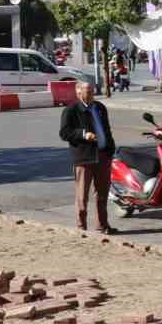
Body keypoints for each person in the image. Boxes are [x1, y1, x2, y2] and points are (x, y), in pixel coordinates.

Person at [60, 81, 117, 234]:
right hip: (84, 158)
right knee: (82, 195)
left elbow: (106, 129)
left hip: (103, 155)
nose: (91, 93)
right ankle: (81, 226)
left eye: (92, 90)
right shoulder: (71, 110)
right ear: (78, 92)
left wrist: (111, 148)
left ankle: (102, 224)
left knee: (102, 193)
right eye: (88, 90)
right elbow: (64, 133)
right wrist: (84, 134)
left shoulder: (100, 108)